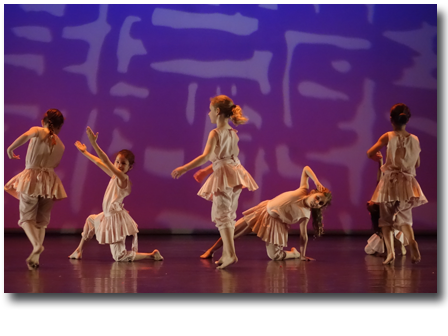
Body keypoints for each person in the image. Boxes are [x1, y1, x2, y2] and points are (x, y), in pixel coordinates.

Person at [171, 95, 258, 269]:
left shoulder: (215, 133)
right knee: (228, 215)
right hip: (236, 174)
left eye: (210, 110)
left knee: (222, 216)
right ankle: (227, 252)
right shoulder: (233, 133)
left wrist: (184, 168)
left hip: (225, 177)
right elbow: (226, 158)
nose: (209, 113)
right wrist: (206, 171)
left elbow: (205, 156)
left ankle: (231, 254)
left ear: (217, 112)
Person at [68, 127, 163, 262]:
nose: (118, 165)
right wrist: (85, 152)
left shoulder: (123, 179)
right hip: (107, 216)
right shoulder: (114, 175)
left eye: (123, 163)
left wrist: (94, 144)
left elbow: (105, 160)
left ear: (129, 167)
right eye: (117, 162)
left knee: (119, 256)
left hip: (114, 220)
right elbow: (99, 162)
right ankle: (78, 251)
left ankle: (152, 255)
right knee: (90, 221)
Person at [200, 166, 332, 262]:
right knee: (232, 231)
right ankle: (211, 251)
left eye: (321, 204)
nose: (317, 203)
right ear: (313, 193)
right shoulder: (302, 190)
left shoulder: (306, 214)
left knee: (275, 256)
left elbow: (303, 236)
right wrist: (317, 182)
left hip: (276, 225)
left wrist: (302, 255)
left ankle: (294, 254)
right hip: (263, 212)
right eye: (318, 198)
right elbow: (306, 169)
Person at [4, 109, 67, 270]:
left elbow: (25, 136)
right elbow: (55, 164)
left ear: (43, 121)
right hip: (49, 183)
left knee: (26, 218)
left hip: (32, 179)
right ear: (59, 127)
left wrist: (10, 149)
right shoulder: (60, 145)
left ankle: (36, 246)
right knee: (41, 222)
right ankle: (36, 259)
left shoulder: (38, 131)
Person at [367, 103, 427, 264]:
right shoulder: (415, 139)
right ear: (407, 120)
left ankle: (391, 253)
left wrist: (377, 158)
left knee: (386, 220)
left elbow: (370, 152)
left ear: (391, 119)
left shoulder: (388, 136)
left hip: (390, 181)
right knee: (405, 218)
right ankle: (412, 243)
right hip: (407, 181)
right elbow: (417, 163)